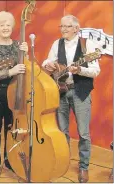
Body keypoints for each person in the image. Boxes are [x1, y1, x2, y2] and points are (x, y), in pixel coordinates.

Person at [42, 15, 100, 183]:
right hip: (60, 91)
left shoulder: (87, 45)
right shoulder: (57, 43)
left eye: (67, 26)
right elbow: (48, 60)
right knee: (62, 132)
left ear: (76, 28)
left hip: (80, 92)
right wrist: (48, 64)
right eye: (62, 26)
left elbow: (96, 70)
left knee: (83, 133)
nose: (63, 29)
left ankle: (83, 167)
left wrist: (79, 69)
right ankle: (63, 162)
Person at [0, 11, 28, 176]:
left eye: (8, 25)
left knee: (11, 128)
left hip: (15, 92)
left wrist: (27, 53)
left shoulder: (18, 45)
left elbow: (27, 67)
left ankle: (9, 160)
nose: (5, 28)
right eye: (2, 25)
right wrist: (11, 71)